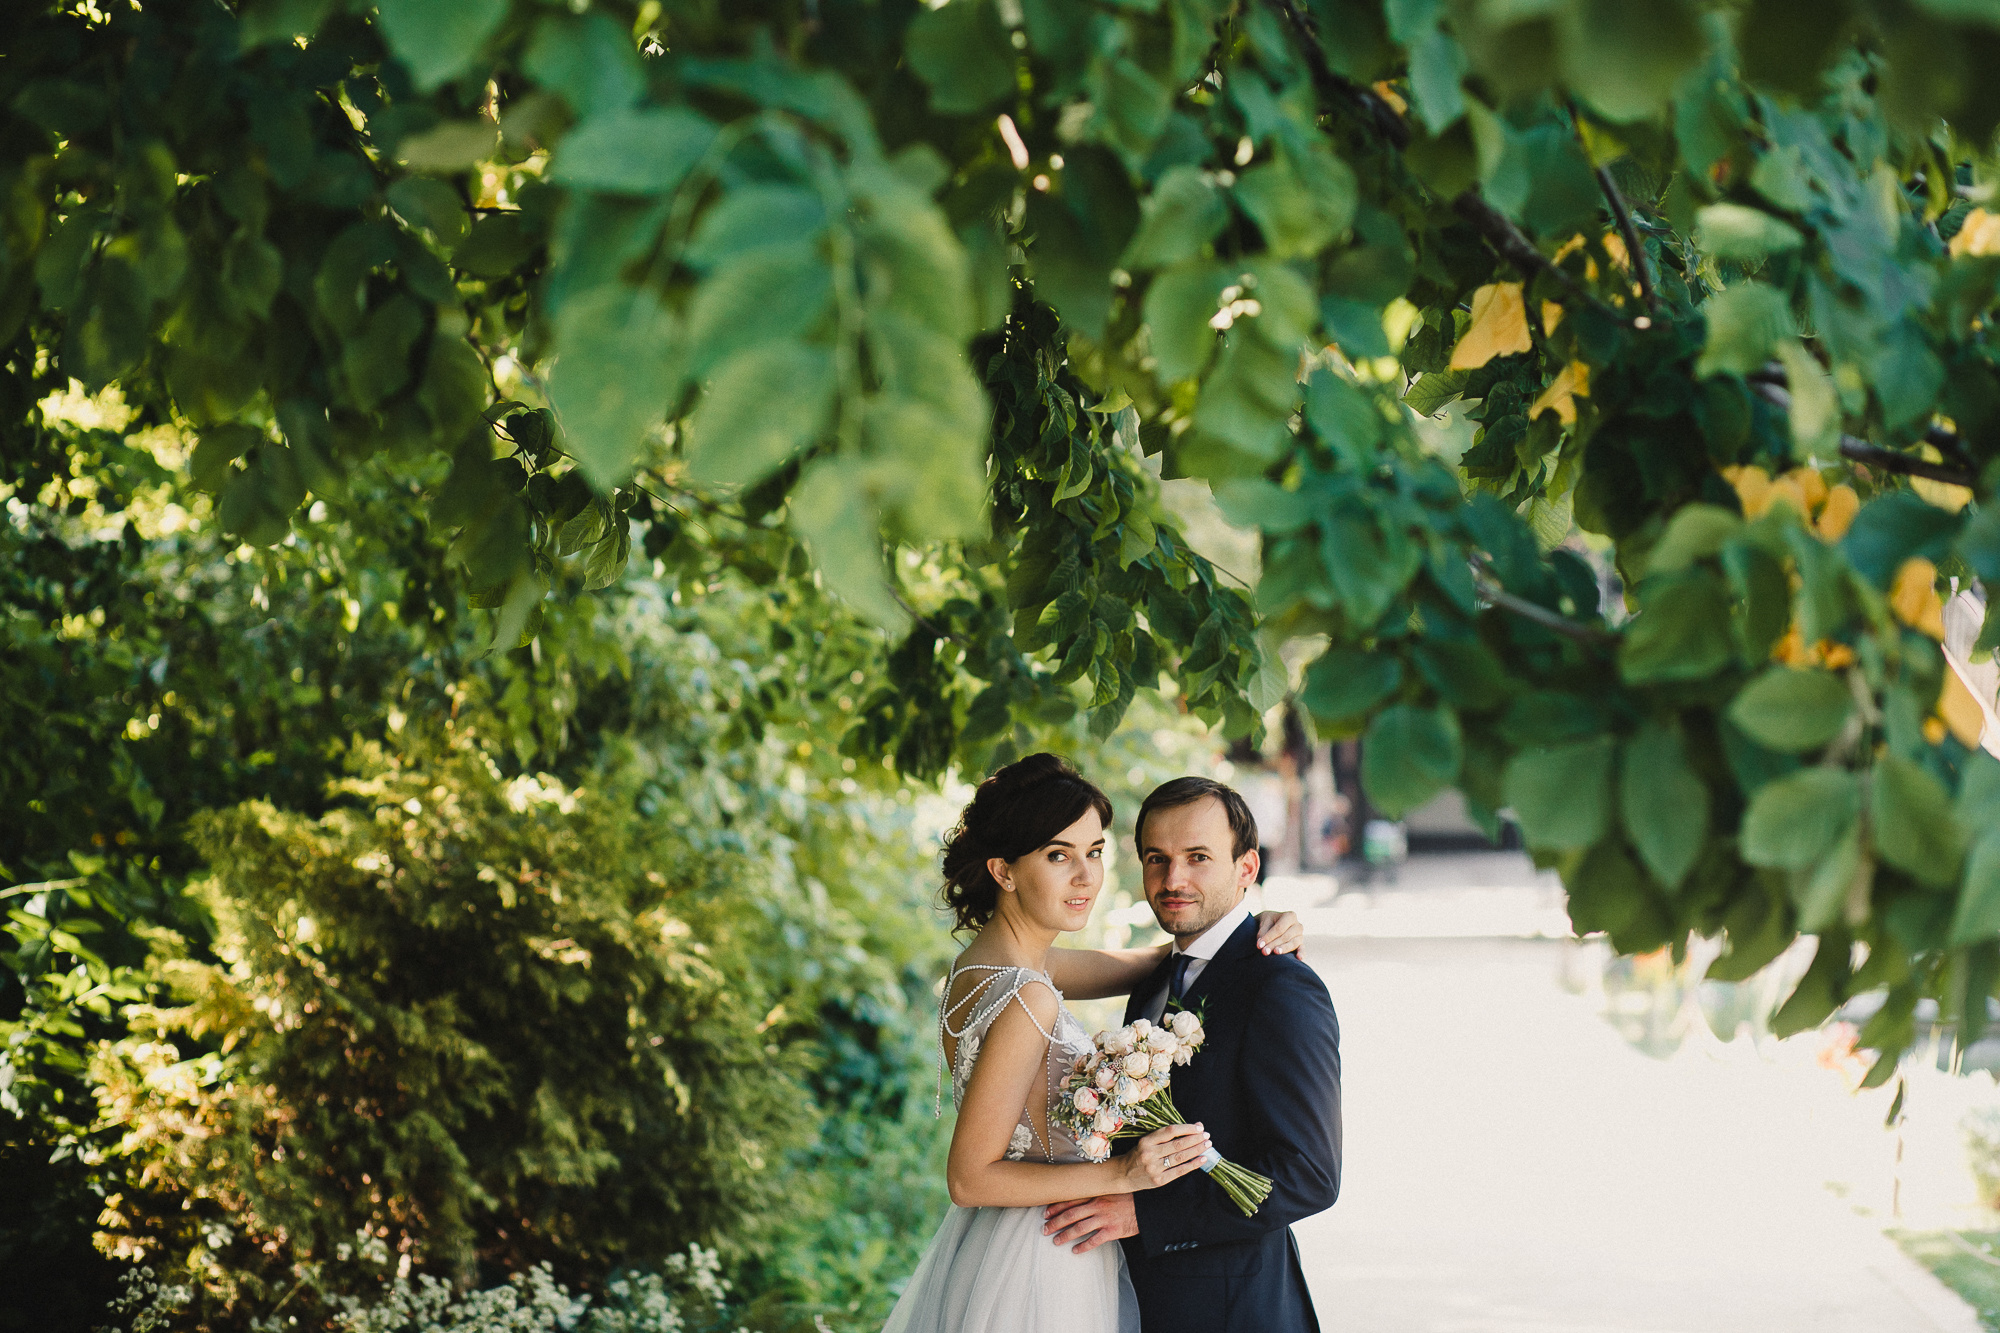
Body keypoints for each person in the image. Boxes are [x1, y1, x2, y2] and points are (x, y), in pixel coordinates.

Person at [882, 755, 1307, 1333]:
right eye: (1059, 855)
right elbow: (968, 1178)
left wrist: (1251, 922)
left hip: (1007, 1242)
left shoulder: (981, 969)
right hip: (1049, 1253)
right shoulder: (1029, 995)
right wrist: (1124, 1175)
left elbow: (1166, 959)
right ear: (1004, 871)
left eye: (1096, 851)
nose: (1086, 876)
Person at [1040, 775, 1342, 1333]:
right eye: (1157, 858)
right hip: (1140, 1297)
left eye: (1198, 858)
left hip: (1236, 1309)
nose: (1173, 879)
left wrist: (1145, 1213)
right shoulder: (1158, 978)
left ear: (1247, 868)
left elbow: (1309, 1175)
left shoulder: (1280, 987)